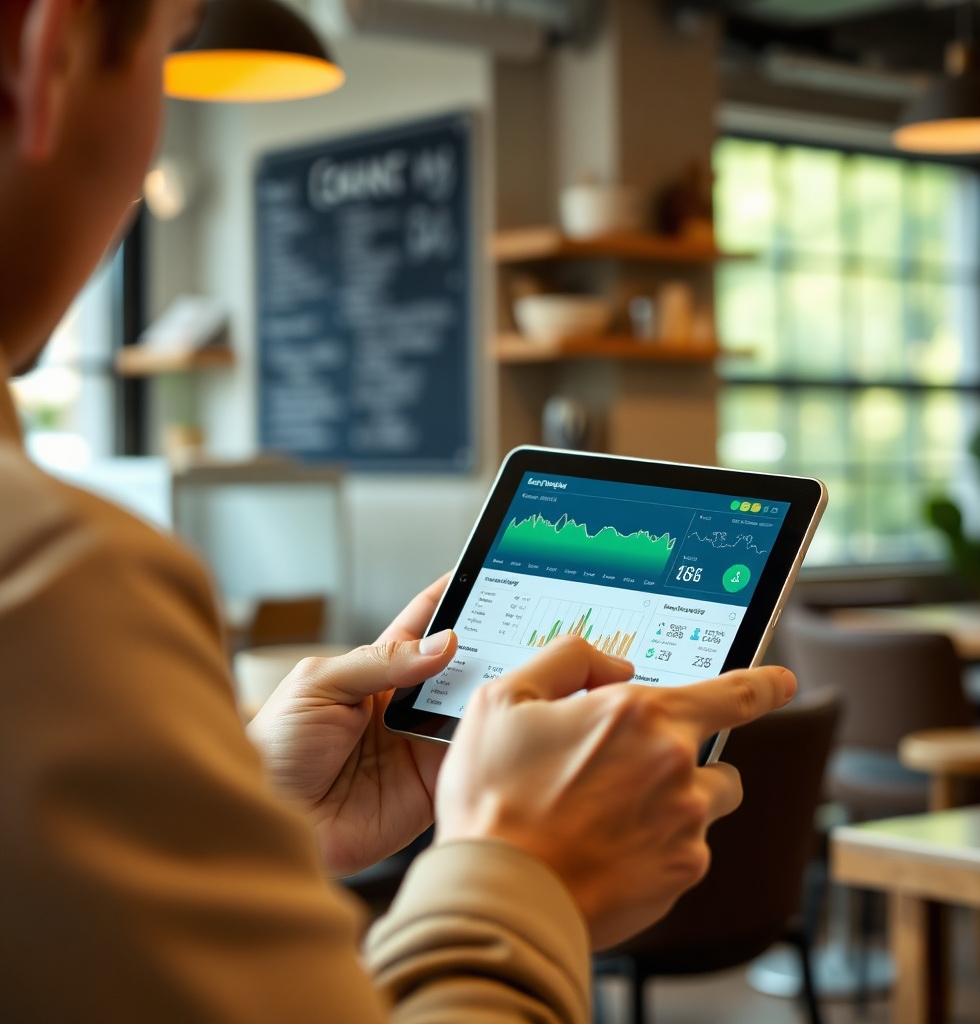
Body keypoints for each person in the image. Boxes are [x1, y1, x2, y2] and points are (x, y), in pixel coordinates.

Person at [0, 2, 798, 1021]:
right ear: (48, 51)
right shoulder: (50, 579)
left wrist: (253, 805)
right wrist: (518, 874)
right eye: (160, 56)